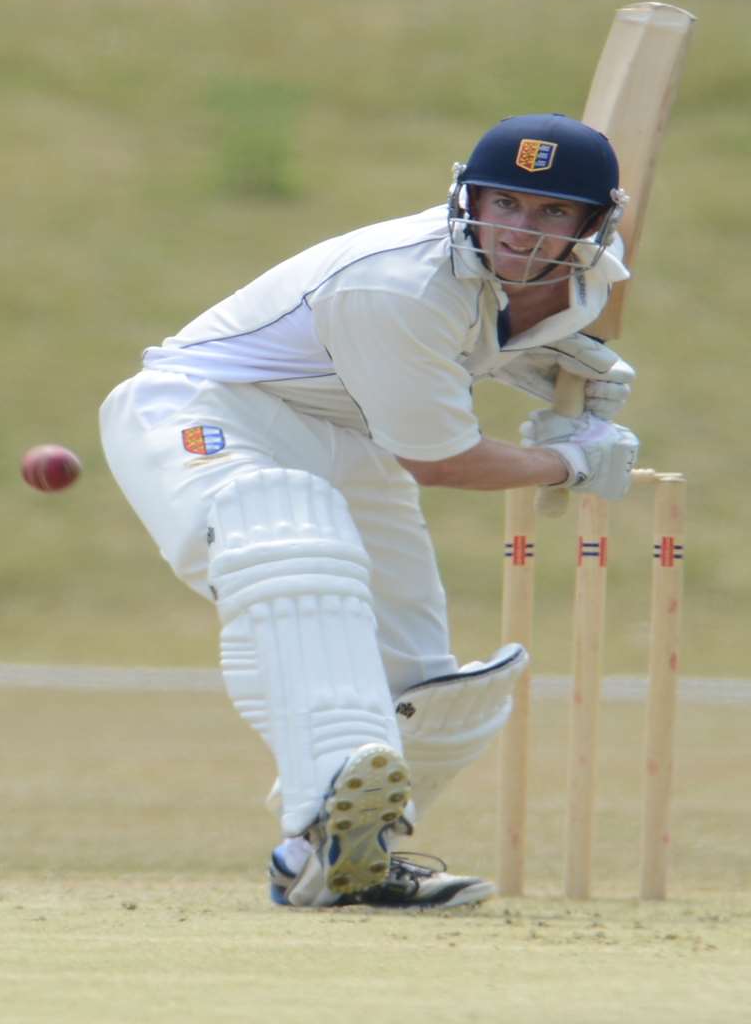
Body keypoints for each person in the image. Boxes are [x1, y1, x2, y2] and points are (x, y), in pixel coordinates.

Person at [98, 113, 642, 910]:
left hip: (347, 434)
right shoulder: (397, 284)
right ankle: (319, 803)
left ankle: (328, 864)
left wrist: (532, 352)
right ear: (469, 198)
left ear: (592, 224)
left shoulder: (586, 276)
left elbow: (481, 337)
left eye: (553, 211)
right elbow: (440, 460)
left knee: (425, 682)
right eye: (506, 204)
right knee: (286, 537)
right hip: (208, 411)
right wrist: (569, 460)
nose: (521, 231)